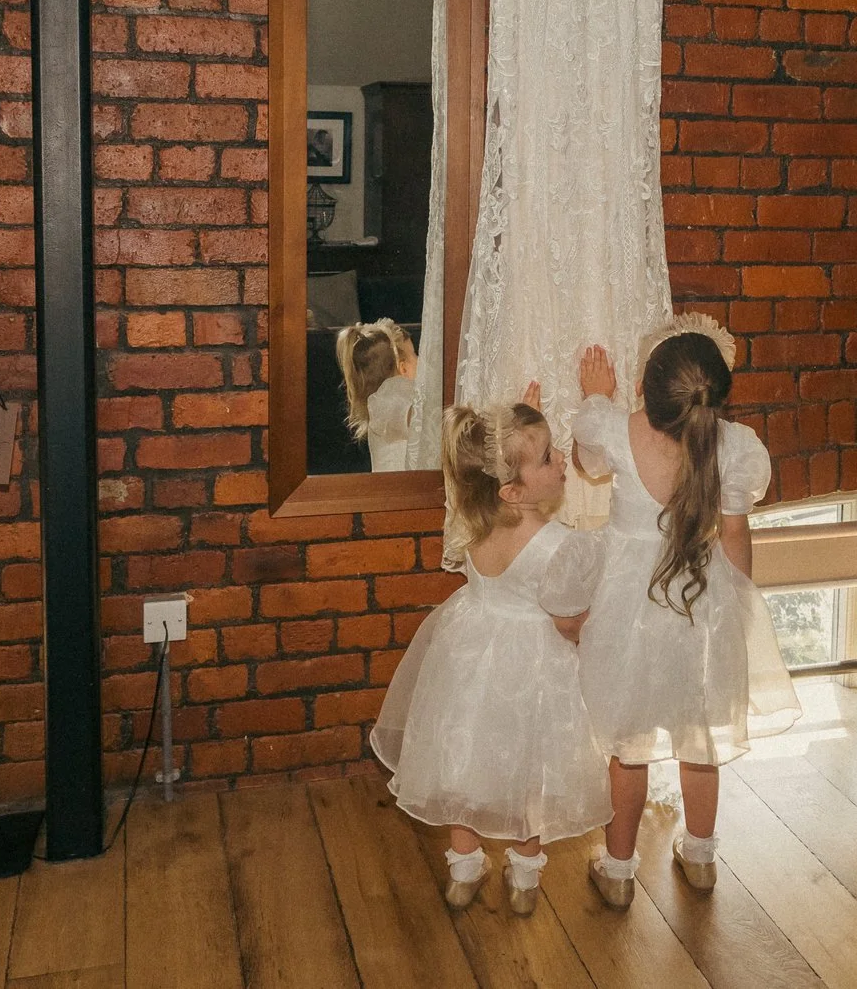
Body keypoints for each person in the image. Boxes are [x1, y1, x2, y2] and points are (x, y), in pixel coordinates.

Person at [571, 315, 796, 907]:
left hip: (629, 615)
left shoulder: (615, 431)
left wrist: (597, 394)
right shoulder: (734, 448)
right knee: (701, 740)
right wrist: (739, 610)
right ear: (716, 401)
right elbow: (736, 539)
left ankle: (618, 871)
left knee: (628, 743)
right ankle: (699, 857)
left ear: (643, 391)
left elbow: (586, 459)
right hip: (703, 611)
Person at [369, 388, 608, 914]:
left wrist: (507, 436)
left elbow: (480, 474)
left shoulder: (472, 518)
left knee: (465, 762)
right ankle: (524, 880)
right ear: (513, 492)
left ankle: (464, 868)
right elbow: (568, 620)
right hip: (532, 671)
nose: (562, 459)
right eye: (548, 457)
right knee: (528, 772)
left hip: (469, 659)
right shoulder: (560, 544)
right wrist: (589, 637)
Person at [335, 319, 418, 471]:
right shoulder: (389, 399)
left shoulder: (381, 403)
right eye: (414, 354)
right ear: (403, 367)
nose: (419, 361)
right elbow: (423, 420)